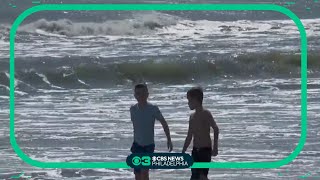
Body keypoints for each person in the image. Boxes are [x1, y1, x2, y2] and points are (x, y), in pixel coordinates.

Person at [130, 83, 173, 180]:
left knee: (144, 172)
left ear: (147, 94)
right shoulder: (132, 109)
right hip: (137, 145)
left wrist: (169, 139)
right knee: (137, 174)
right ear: (135, 95)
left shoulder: (153, 108)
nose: (140, 96)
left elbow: (164, 123)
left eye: (143, 93)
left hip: (148, 145)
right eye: (138, 94)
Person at [182, 86, 219, 180]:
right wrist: (183, 151)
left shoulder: (206, 113)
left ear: (196, 100)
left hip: (205, 150)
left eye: (189, 100)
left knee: (202, 176)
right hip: (195, 151)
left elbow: (215, 129)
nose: (188, 103)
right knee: (194, 176)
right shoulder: (192, 117)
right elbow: (189, 136)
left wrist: (215, 147)